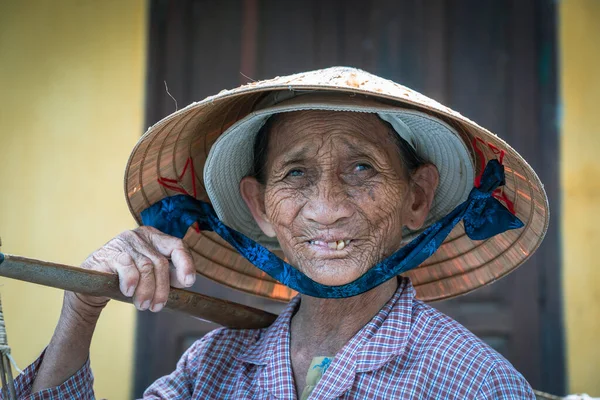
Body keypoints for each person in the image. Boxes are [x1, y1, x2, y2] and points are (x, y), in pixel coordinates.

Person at [12, 67, 546, 399]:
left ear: (417, 198)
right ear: (259, 206)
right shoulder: (211, 366)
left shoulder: (473, 382)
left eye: (362, 168)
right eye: (295, 173)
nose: (328, 208)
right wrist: (80, 312)